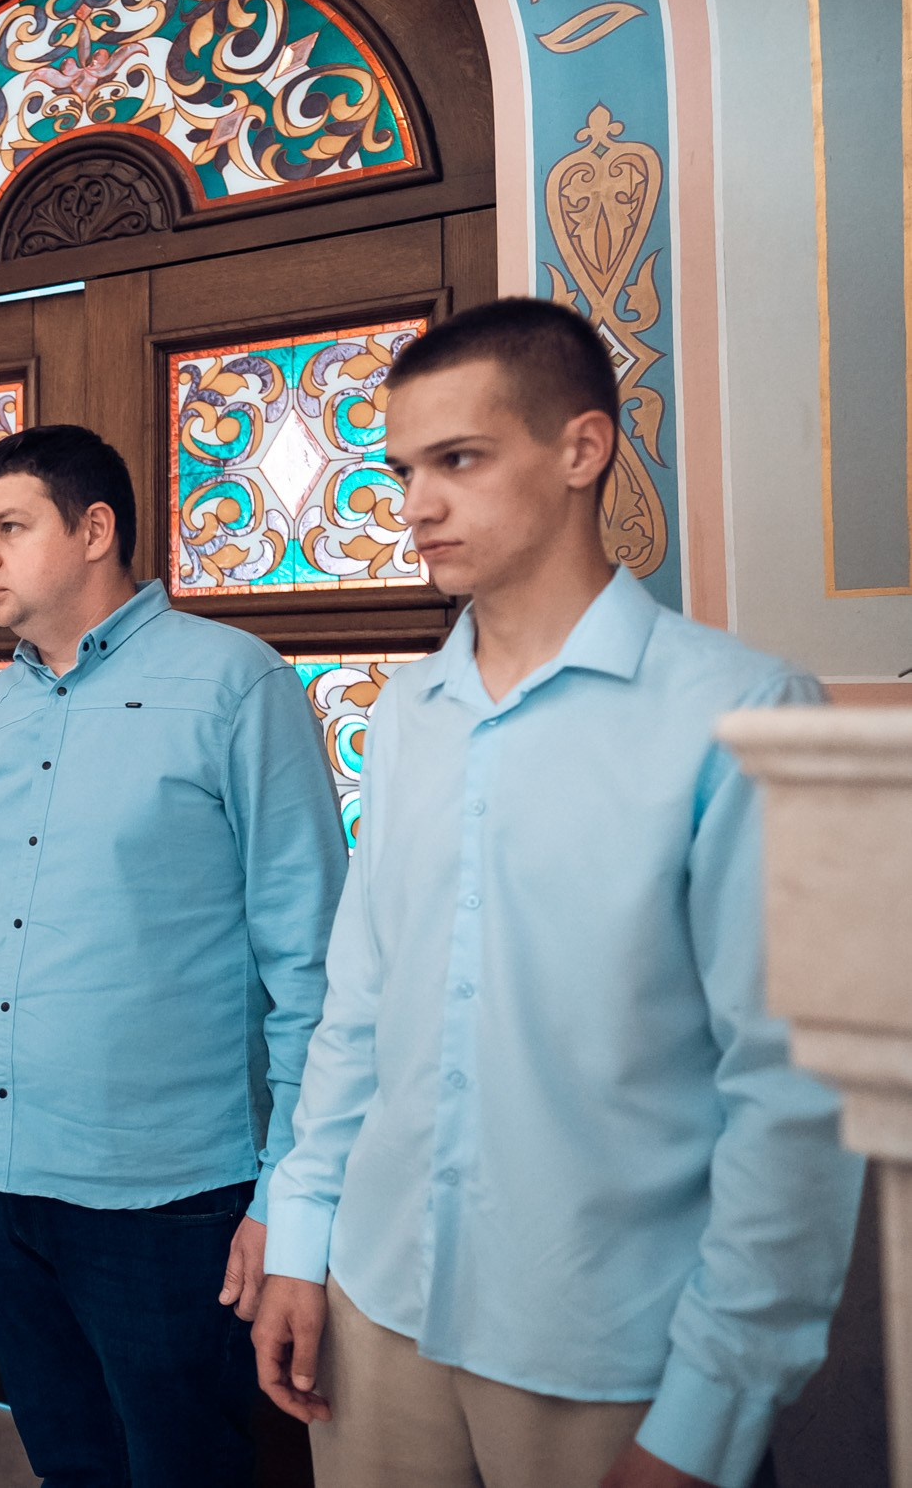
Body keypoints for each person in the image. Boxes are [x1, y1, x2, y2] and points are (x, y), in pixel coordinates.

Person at [251, 299, 864, 1488]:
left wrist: (708, 1412)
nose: (415, 504)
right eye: (401, 469)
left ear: (580, 449)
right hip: (377, 1310)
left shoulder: (738, 714)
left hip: (607, 1341)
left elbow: (786, 1097)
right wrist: (300, 1235)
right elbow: (356, 1010)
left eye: (459, 460)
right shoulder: (405, 721)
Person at [0, 424, 345, 1487]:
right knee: (71, 1466)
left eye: (6, 528)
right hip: (7, 1182)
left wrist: (285, 1199)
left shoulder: (232, 684)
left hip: (171, 1198)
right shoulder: (5, 702)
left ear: (94, 528)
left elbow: (310, 961)